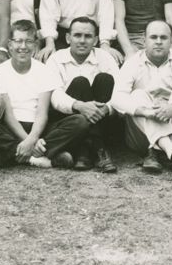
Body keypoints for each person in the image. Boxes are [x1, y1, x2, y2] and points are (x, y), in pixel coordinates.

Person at [0, 19, 91, 169]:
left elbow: (42, 112)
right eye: (18, 41)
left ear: (35, 45)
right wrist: (28, 141)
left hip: (39, 129)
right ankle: (39, 157)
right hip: (11, 128)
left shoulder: (44, 70)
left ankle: (10, 155)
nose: (23, 47)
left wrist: (33, 138)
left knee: (80, 122)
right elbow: (8, 116)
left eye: (28, 41)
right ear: (10, 44)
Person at [110, 20, 172, 179]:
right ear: (144, 40)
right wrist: (145, 112)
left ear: (171, 41)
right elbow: (116, 98)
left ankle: (155, 153)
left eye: (163, 37)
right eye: (153, 37)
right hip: (140, 137)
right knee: (138, 95)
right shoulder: (133, 62)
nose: (158, 42)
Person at [45, 16, 121, 173]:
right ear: (68, 38)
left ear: (95, 40)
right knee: (80, 82)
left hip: (102, 119)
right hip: (71, 121)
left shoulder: (105, 58)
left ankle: (86, 151)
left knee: (105, 79)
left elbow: (121, 92)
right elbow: (54, 96)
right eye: (77, 35)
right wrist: (79, 106)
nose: (82, 40)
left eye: (88, 36)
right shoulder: (56, 59)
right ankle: (94, 150)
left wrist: (107, 108)